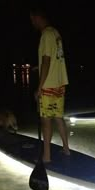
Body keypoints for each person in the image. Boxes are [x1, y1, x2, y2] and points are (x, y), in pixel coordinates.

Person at [30, 8, 69, 165]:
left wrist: (39, 87)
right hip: (60, 84)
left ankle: (46, 156)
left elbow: (46, 60)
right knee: (58, 117)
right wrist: (38, 67)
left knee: (46, 120)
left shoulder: (45, 35)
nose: (32, 23)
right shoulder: (56, 34)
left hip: (48, 85)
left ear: (38, 17)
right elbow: (53, 59)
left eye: (32, 19)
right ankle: (66, 149)